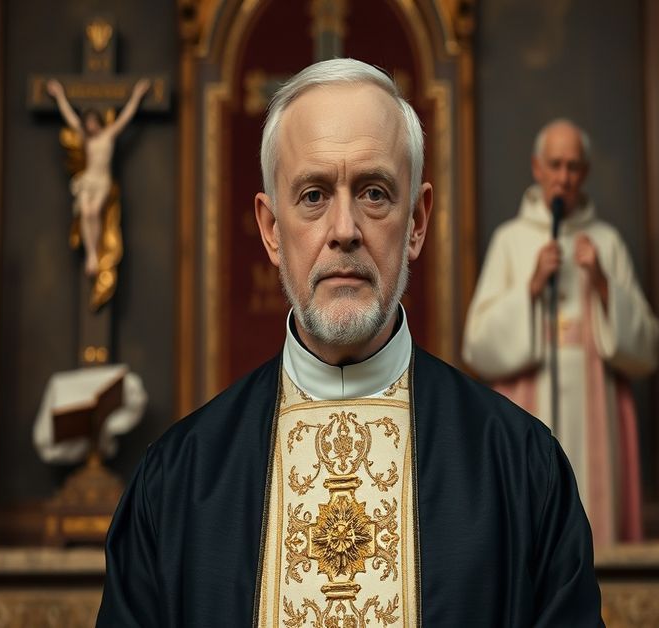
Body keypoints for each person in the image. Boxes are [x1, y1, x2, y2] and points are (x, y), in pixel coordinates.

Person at [97, 60, 601, 627]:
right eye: (313, 194)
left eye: (374, 193)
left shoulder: (520, 468)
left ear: (416, 222)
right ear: (270, 230)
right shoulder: (178, 482)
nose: (344, 229)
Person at [462, 119, 659, 548]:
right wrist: (529, 288)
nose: (564, 177)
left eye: (573, 167)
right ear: (537, 168)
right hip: (527, 411)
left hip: (596, 426)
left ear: (584, 174)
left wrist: (604, 284)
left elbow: (647, 349)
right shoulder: (511, 241)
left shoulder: (605, 243)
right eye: (555, 165)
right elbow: (476, 345)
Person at [45, 77, 151, 276]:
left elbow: (126, 117)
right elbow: (70, 118)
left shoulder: (108, 135)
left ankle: (95, 251)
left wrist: (136, 95)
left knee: (93, 211)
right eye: (88, 123)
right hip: (88, 180)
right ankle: (91, 254)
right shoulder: (87, 138)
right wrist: (60, 95)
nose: (91, 126)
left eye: (93, 122)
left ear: (99, 122)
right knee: (85, 212)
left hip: (102, 181)